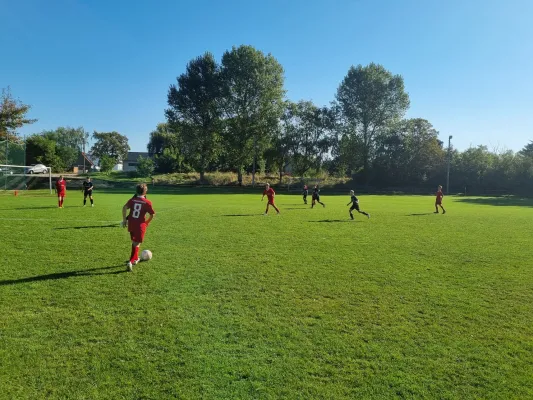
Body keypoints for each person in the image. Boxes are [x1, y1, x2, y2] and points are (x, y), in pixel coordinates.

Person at [121, 183, 155, 271]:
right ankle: (131, 261)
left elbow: (124, 207)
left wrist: (124, 220)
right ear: (145, 191)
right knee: (136, 243)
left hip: (131, 223)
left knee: (134, 242)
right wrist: (147, 223)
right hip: (140, 225)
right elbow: (152, 215)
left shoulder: (132, 200)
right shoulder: (147, 202)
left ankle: (136, 258)